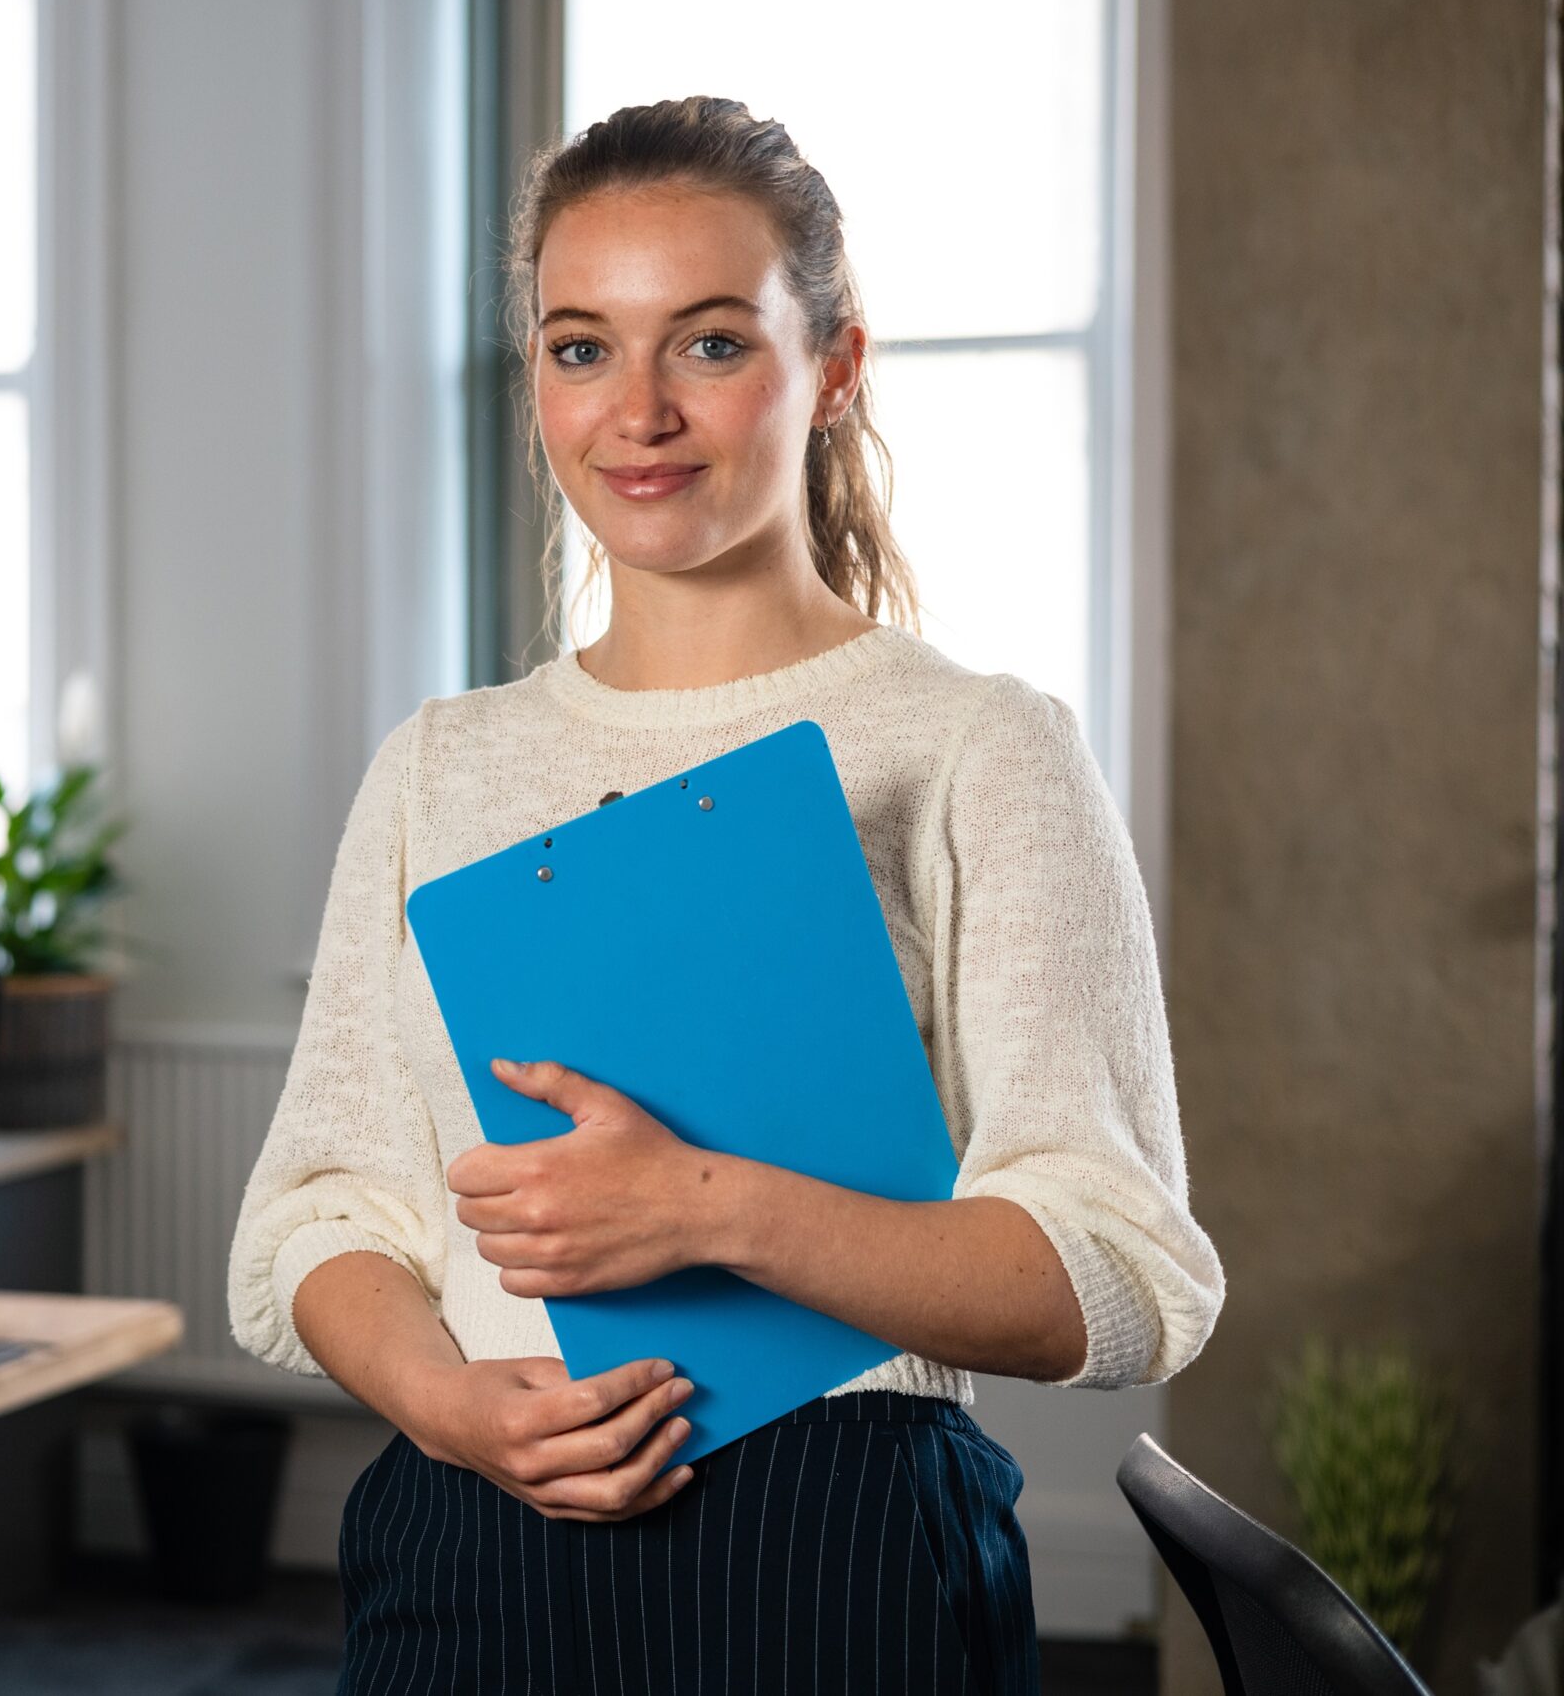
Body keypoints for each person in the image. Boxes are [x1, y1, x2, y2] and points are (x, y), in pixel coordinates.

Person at [226, 96, 1225, 1695]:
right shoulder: (438, 768)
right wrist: (448, 1406)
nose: (637, 413)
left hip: (835, 1543)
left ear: (833, 366)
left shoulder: (977, 750)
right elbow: (316, 1219)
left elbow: (1114, 1278)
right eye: (578, 349)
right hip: (468, 1529)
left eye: (706, 344)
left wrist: (703, 1208)